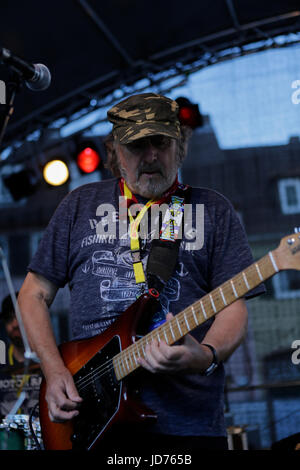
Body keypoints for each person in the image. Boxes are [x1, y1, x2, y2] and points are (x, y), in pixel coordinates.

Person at [18, 93, 264, 453]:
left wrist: (205, 355)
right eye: (136, 145)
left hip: (188, 428)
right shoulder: (78, 205)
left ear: (179, 147)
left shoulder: (213, 209)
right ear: (115, 152)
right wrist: (54, 371)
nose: (151, 156)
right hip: (90, 424)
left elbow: (234, 304)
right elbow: (33, 294)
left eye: (160, 143)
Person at [0, 293, 41, 418]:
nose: (14, 324)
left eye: (19, 316)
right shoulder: (1, 357)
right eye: (8, 319)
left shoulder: (50, 357)